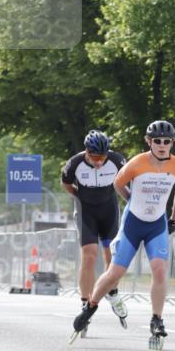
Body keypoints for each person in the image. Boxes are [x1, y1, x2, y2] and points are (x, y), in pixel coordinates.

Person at [70, 121, 175, 346]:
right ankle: (90, 307)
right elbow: (117, 183)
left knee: (160, 270)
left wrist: (174, 219)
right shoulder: (137, 162)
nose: (162, 145)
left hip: (157, 224)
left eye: (167, 142)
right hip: (133, 223)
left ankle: (157, 319)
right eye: (157, 141)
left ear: (172, 142)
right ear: (149, 141)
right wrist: (132, 200)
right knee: (115, 272)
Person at [61, 129, 127, 329]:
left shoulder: (117, 160)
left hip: (109, 210)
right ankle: (84, 303)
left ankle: (113, 293)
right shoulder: (74, 163)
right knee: (89, 256)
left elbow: (127, 182)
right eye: (94, 157)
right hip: (86, 212)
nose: (99, 162)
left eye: (102, 157)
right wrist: (80, 198)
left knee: (111, 256)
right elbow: (66, 184)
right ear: (86, 151)